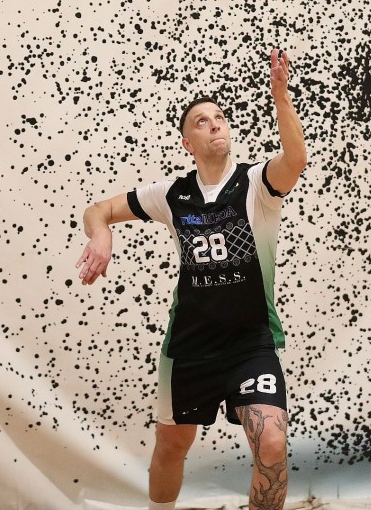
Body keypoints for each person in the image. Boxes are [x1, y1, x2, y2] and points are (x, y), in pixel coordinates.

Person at [76, 48, 307, 510]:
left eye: (220, 118)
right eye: (202, 121)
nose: (215, 125)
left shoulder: (256, 183)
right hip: (190, 348)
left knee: (272, 443)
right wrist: (101, 235)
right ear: (188, 142)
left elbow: (296, 159)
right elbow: (97, 209)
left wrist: (281, 97)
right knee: (171, 446)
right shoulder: (172, 194)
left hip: (250, 344)